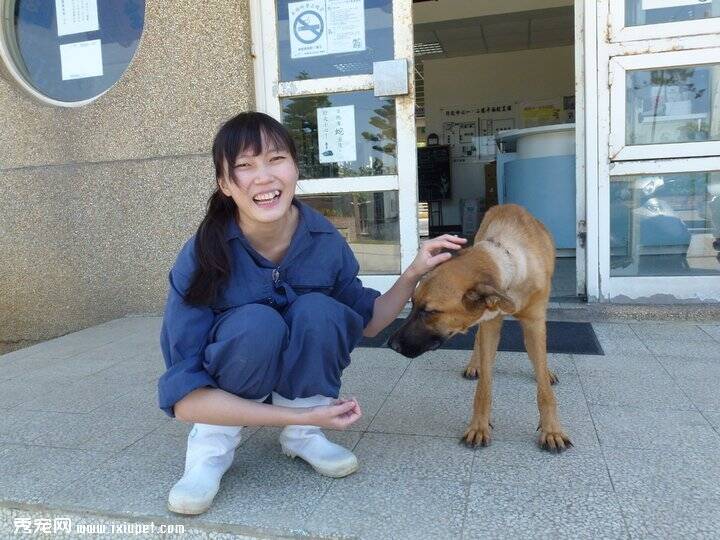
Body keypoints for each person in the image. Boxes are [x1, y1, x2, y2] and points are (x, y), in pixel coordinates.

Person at [157, 111, 466, 515]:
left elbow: (370, 321)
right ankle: (211, 450)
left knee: (321, 311)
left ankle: (302, 435)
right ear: (226, 184)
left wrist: (412, 273)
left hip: (301, 390)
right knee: (256, 324)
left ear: (295, 168)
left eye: (275, 159)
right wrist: (296, 413)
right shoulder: (203, 255)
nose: (264, 177)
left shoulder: (323, 240)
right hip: (233, 377)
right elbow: (187, 399)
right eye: (245, 167)